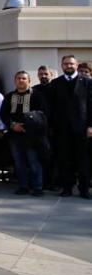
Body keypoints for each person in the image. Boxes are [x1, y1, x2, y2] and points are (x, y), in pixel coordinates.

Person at [47, 54, 92, 199]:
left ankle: (84, 189)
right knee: (64, 159)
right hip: (62, 129)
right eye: (66, 64)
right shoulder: (55, 83)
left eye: (71, 64)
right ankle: (67, 188)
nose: (68, 66)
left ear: (76, 65)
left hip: (82, 128)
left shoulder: (87, 82)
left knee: (83, 160)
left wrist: (91, 126)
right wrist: (52, 126)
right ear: (62, 66)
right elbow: (51, 107)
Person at [1, 71, 48, 197]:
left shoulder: (37, 95)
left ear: (29, 81)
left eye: (24, 78)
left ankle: (38, 187)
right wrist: (13, 125)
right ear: (15, 81)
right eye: (18, 78)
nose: (21, 81)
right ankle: (23, 186)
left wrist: (29, 125)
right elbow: (4, 114)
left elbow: (42, 113)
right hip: (14, 135)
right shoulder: (9, 96)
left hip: (32, 136)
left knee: (34, 161)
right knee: (19, 162)